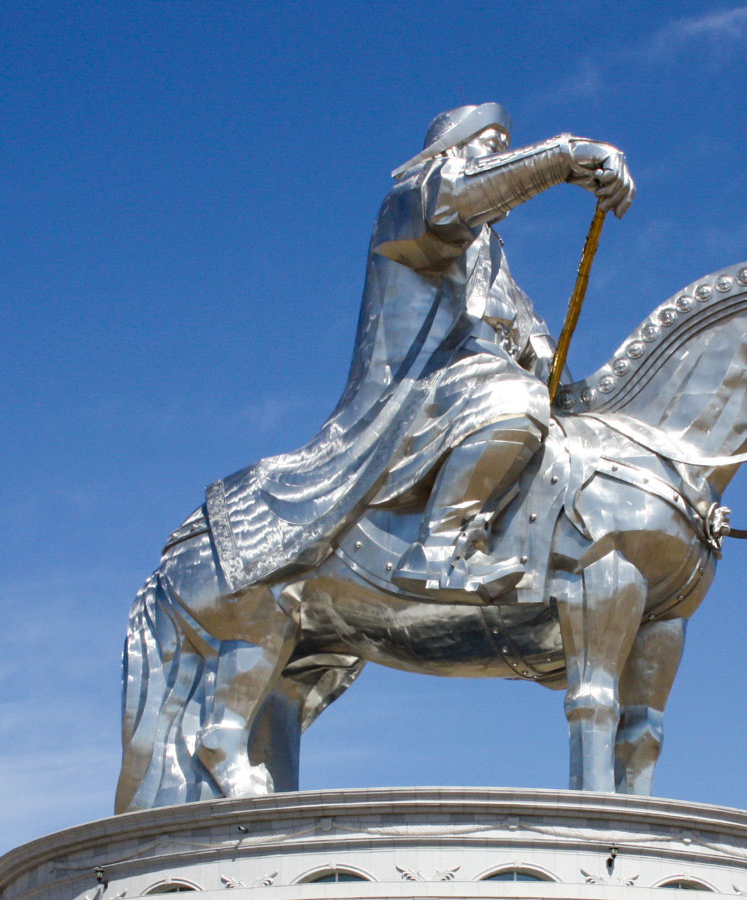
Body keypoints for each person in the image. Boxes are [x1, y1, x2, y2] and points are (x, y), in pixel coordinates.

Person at [203, 103, 635, 599]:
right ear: (452, 147)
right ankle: (439, 550)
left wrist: (558, 375)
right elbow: (460, 195)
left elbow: (524, 327)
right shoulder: (414, 198)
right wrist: (563, 158)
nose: (502, 157)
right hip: (424, 387)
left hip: (474, 381)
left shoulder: (490, 250)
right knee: (517, 403)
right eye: (492, 147)